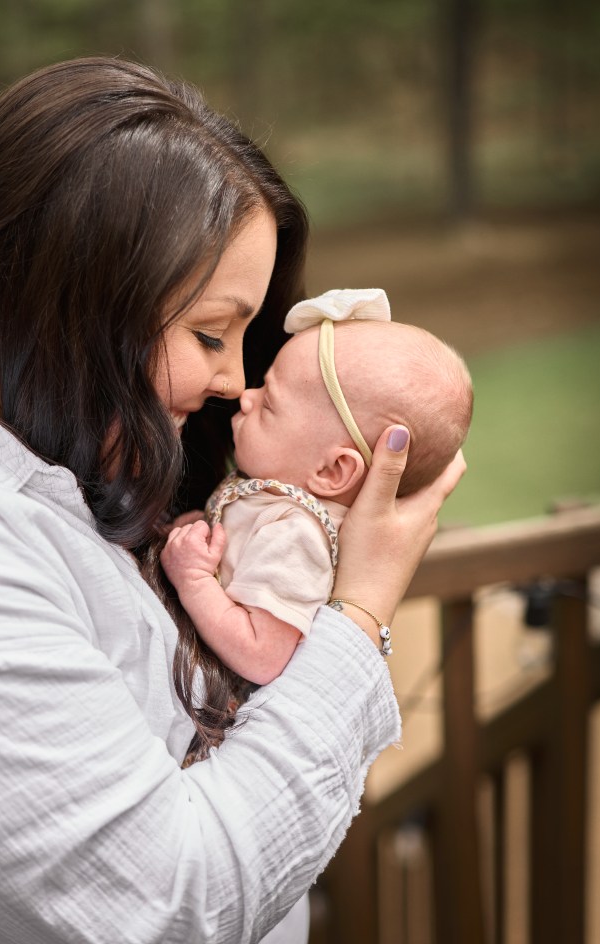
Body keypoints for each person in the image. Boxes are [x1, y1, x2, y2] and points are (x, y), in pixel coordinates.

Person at [0, 58, 465, 944]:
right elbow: (170, 914)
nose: (238, 380)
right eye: (211, 333)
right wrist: (357, 617)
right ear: (70, 293)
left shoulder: (58, 449)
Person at [161, 288, 473, 685]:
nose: (246, 397)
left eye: (269, 404)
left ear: (332, 471)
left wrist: (194, 580)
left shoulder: (295, 537)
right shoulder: (273, 501)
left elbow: (261, 655)